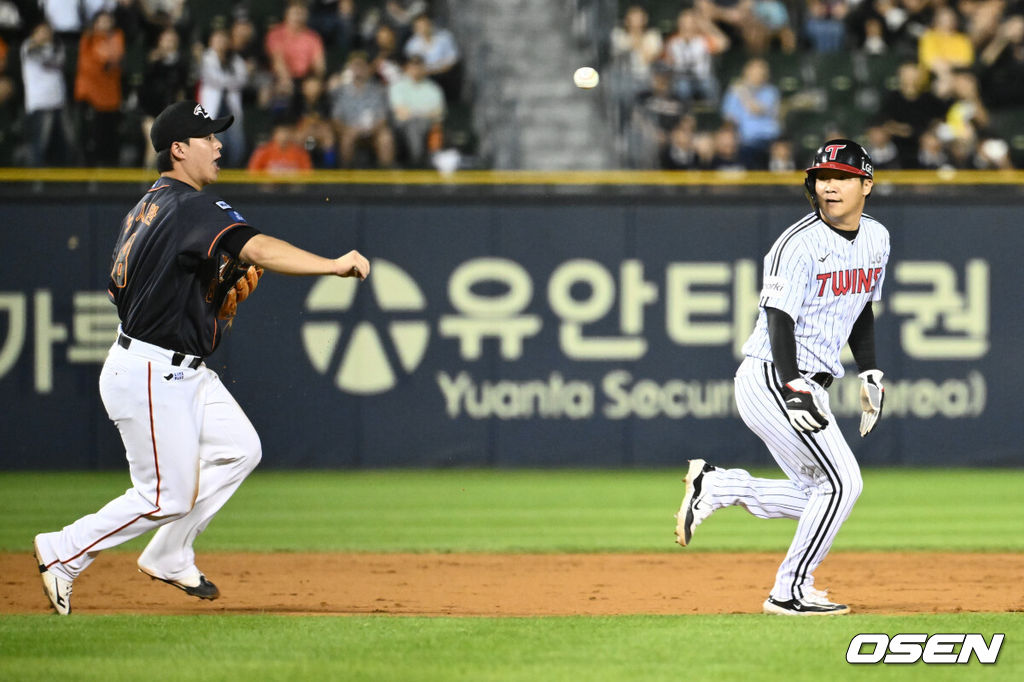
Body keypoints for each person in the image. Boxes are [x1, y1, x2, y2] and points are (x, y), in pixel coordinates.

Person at [33, 100, 370, 615]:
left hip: (175, 367)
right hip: (152, 370)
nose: (217, 145)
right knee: (162, 497)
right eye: (207, 137)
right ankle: (64, 552)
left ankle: (169, 552)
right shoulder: (190, 205)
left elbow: (122, 292)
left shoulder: (148, 206)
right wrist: (333, 265)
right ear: (178, 149)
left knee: (240, 448)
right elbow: (258, 249)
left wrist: (204, 301)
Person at [675, 139, 890, 616]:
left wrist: (870, 368)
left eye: (841, 177)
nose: (828, 186)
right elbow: (779, 318)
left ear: (866, 185)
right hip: (774, 375)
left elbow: (861, 310)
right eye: (821, 177)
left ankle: (720, 486)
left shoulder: (877, 237)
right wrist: (793, 385)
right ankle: (789, 590)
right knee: (842, 486)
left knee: (820, 492)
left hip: (809, 381)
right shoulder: (797, 243)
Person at [74, 11, 124, 167]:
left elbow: (113, 59)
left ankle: (109, 170)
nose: (105, 24)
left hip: (110, 97)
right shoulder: (87, 40)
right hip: (90, 96)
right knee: (90, 136)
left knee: (109, 136)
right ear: (95, 23)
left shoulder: (116, 38)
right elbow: (89, 65)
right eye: (101, 21)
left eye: (108, 21)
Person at [720, 57, 780, 169]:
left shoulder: (771, 91)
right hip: (743, 143)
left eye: (762, 71)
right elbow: (728, 117)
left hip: (768, 142)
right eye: (756, 70)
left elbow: (756, 110)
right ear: (746, 71)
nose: (759, 74)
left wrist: (743, 92)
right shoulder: (733, 91)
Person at [388, 55, 445, 167]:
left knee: (419, 125)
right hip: (401, 126)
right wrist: (423, 113)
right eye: (413, 66)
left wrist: (416, 113)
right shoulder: (397, 86)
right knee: (413, 125)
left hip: (427, 124)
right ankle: (417, 162)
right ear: (407, 68)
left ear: (424, 68)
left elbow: (438, 113)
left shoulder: (433, 89)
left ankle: (416, 161)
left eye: (420, 66)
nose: (416, 69)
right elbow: (401, 112)